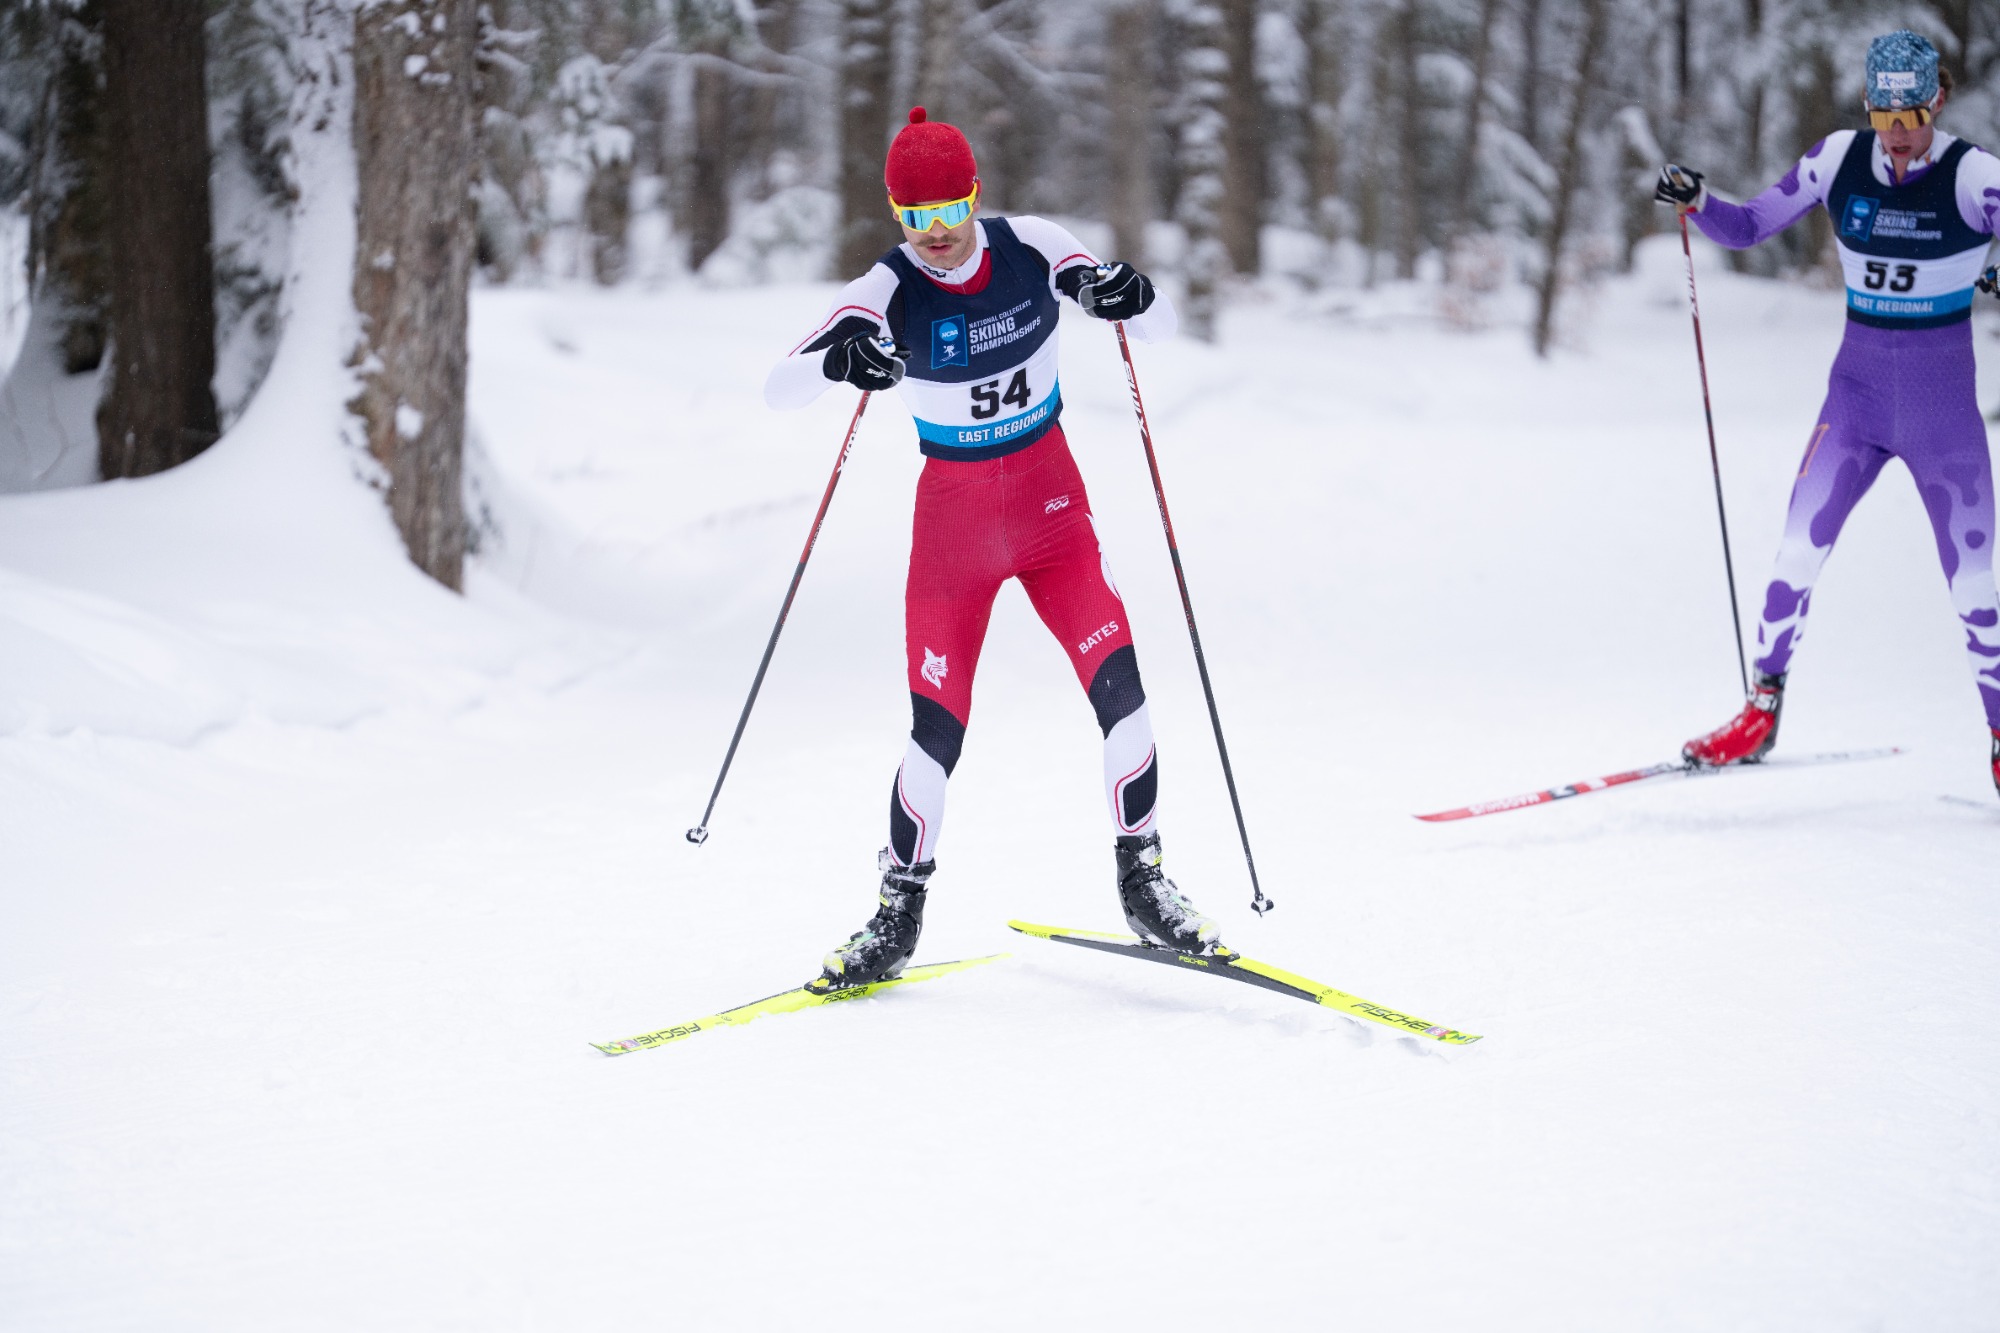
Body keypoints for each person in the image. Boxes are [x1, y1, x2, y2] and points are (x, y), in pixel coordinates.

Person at [764, 107, 1220, 987]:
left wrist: (1130, 294)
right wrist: (838, 360)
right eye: (914, 219)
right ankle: (897, 914)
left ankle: (1145, 882)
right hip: (953, 536)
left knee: (1123, 689)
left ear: (976, 197)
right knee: (935, 728)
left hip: (1052, 512)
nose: (935, 236)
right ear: (896, 218)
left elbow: (1152, 327)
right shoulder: (888, 287)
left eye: (949, 212)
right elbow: (778, 388)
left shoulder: (1033, 245)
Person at [1654, 30, 2000, 798]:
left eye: (1911, 114)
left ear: (1936, 100)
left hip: (1944, 422)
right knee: (1794, 553)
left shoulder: (1975, 176)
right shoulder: (1837, 158)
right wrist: (1700, 200)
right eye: (1884, 117)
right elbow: (1748, 227)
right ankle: (1760, 711)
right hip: (1856, 404)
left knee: (1977, 588)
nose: (1899, 134)